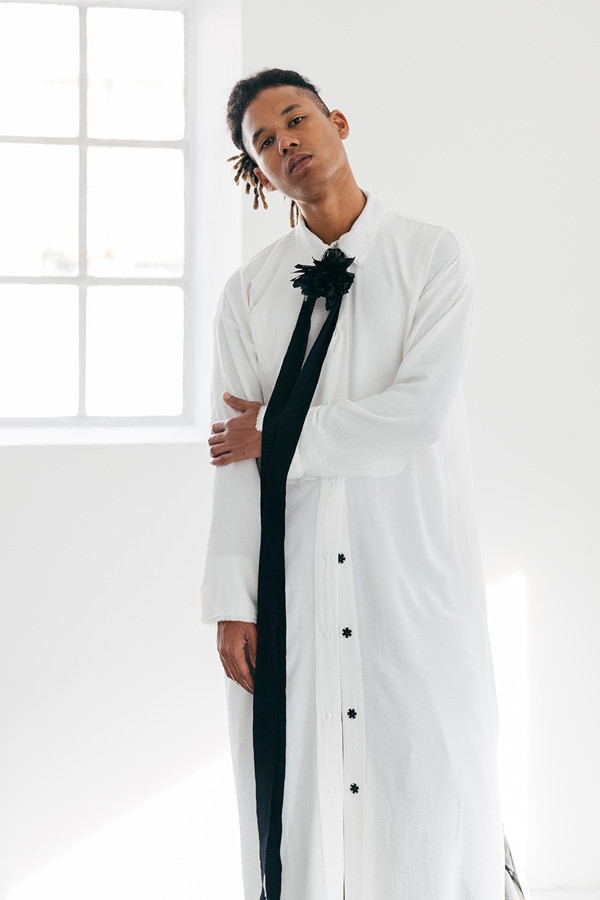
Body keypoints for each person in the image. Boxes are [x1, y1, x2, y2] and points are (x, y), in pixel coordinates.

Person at [200, 67, 529, 900]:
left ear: (337, 121)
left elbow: (417, 413)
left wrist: (278, 434)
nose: (286, 143)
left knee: (426, 774)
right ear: (259, 173)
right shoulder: (248, 293)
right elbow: (234, 455)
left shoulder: (431, 255)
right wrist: (233, 598)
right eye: (265, 142)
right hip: (295, 574)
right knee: (301, 787)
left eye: (296, 120)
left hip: (409, 564)